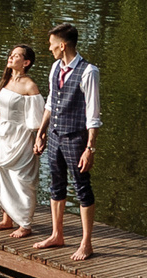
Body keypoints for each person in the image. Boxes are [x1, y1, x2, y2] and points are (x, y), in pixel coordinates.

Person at [36, 21, 101, 257]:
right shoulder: (55, 68)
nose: (50, 48)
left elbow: (93, 114)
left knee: (82, 187)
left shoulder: (88, 71)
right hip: (54, 134)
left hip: (76, 137)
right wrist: (41, 132)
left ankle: (86, 243)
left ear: (63, 45)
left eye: (52, 45)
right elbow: (51, 103)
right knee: (56, 185)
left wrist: (89, 148)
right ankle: (57, 234)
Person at [0, 43, 47, 238]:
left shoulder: (29, 86)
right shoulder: (6, 81)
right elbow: (4, 106)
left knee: (20, 180)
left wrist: (39, 138)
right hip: (0, 134)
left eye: (16, 56)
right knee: (0, 174)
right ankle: (7, 219)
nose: (11, 57)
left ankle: (25, 224)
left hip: (19, 137)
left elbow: (38, 117)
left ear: (26, 62)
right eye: (11, 55)